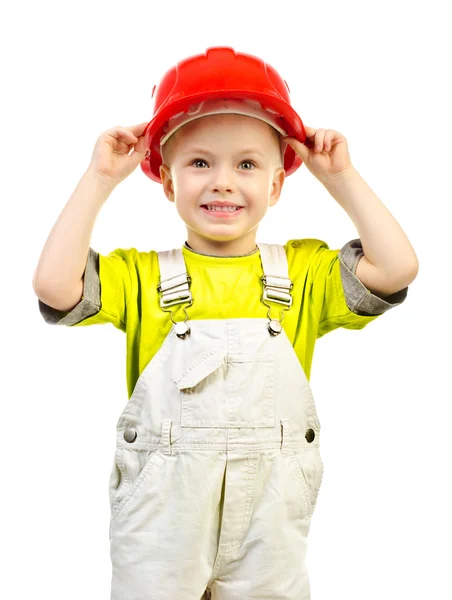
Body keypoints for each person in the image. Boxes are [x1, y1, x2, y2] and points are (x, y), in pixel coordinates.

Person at [32, 46, 418, 600]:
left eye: (246, 163)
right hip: (163, 519)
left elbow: (397, 267)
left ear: (277, 184)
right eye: (198, 162)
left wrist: (341, 178)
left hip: (270, 518)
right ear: (166, 182)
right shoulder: (142, 277)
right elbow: (54, 286)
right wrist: (99, 178)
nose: (222, 181)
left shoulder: (302, 274)